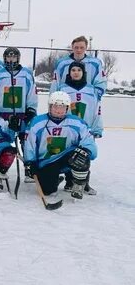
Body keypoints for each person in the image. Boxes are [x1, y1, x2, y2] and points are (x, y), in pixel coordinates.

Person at [24, 91, 98, 200]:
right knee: (47, 190)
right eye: (55, 106)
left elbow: (89, 142)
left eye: (62, 107)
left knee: (81, 155)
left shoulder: (77, 123)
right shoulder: (37, 122)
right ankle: (54, 179)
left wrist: (88, 152)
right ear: (49, 106)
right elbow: (29, 144)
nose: (59, 110)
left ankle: (78, 183)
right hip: (47, 161)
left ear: (67, 108)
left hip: (68, 157)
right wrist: (30, 162)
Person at [57, 61, 103, 195]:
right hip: (68, 129)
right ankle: (69, 182)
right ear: (69, 73)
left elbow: (96, 110)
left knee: (84, 154)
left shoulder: (91, 90)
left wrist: (97, 128)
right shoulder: (62, 89)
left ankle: (84, 183)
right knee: (68, 154)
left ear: (83, 73)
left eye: (78, 70)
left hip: (86, 129)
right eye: (73, 70)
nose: (76, 72)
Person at [0, 47, 37, 150]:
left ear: (18, 58)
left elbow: (32, 93)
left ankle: (28, 162)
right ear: (5, 58)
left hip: (21, 114)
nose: (11, 59)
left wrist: (31, 109)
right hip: (1, 113)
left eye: (13, 57)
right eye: (8, 56)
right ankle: (1, 164)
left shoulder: (26, 73)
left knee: (26, 141)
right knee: (0, 141)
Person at [50, 36, 106, 100]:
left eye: (82, 47)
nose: (79, 50)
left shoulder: (95, 63)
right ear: (72, 47)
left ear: (86, 48)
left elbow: (101, 82)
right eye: (76, 47)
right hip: (66, 99)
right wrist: (54, 99)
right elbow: (55, 83)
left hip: (87, 99)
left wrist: (95, 96)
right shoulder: (62, 63)